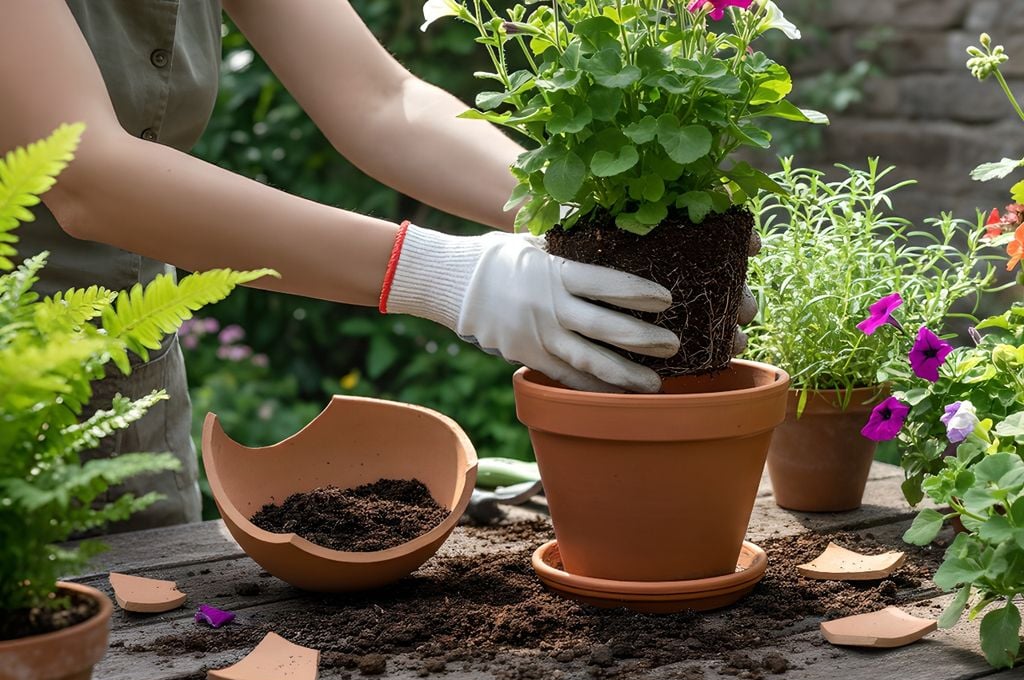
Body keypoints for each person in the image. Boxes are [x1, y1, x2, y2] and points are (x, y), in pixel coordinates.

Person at [0, 1, 754, 530]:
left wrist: (587, 213)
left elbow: (379, 98)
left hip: (128, 382)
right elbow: (84, 175)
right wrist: (447, 276)